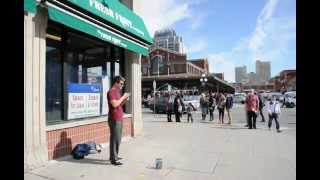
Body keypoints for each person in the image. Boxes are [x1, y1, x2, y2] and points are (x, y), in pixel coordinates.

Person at [107, 76, 130, 166]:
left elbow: (119, 104)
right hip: (114, 118)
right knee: (115, 138)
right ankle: (114, 159)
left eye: (123, 84)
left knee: (118, 138)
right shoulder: (111, 92)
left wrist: (124, 100)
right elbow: (114, 104)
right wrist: (123, 96)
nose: (122, 85)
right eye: (121, 83)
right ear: (116, 83)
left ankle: (114, 155)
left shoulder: (117, 92)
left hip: (119, 117)